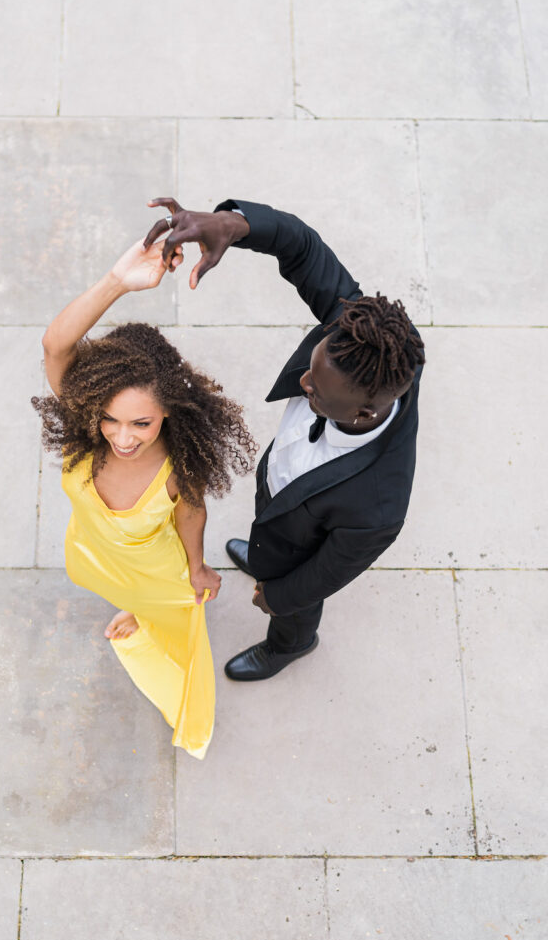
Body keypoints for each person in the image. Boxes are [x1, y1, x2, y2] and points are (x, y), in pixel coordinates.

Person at [143, 197, 426, 682]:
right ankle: (261, 554)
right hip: (282, 491)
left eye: (316, 391)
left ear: (363, 412)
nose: (303, 384)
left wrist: (279, 595)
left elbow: (328, 573)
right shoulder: (355, 334)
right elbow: (302, 246)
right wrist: (231, 224)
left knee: (293, 604)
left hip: (302, 551)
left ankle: (291, 645)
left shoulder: (378, 508)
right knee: (267, 523)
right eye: (311, 369)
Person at [32, 236, 256, 757]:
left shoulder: (178, 467)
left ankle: (147, 616)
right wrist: (116, 282)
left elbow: (191, 515)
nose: (122, 436)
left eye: (141, 423)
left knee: (174, 621)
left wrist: (198, 569)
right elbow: (55, 347)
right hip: (94, 556)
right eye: (110, 418)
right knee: (128, 598)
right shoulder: (85, 426)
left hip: (157, 571)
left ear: (169, 414)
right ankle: (135, 609)